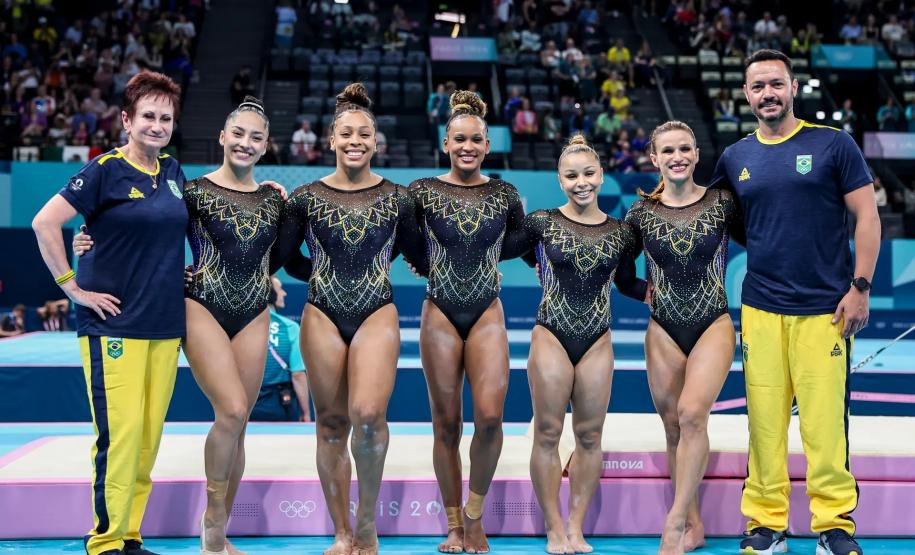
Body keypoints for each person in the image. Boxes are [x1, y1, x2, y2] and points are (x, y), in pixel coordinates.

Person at [72, 96, 292, 555]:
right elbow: (143, 226)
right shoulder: (187, 190)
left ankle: (221, 531)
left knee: (241, 423)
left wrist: (272, 273)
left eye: (256, 137)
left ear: (266, 145)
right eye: (238, 134)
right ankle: (210, 522)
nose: (245, 143)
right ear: (222, 137)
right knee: (230, 410)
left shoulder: (275, 198)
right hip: (202, 306)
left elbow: (276, 254)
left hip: (254, 309)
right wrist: (87, 239)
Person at [711, 49, 879, 555]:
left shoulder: (833, 144)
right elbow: (718, 222)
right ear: (746, 94)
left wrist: (861, 287)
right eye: (758, 86)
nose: (768, 94)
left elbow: (867, 218)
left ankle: (833, 525)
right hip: (761, 309)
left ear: (793, 88)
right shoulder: (734, 157)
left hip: (826, 310)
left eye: (776, 84)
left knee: (826, 424)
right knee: (764, 420)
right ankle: (766, 523)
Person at [32, 71, 186, 555]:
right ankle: (105, 541)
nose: (157, 125)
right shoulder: (104, 170)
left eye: (165, 117)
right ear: (126, 120)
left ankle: (131, 534)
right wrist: (71, 287)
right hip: (112, 326)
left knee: (146, 440)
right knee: (118, 437)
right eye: (148, 116)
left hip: (164, 327)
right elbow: (45, 222)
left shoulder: (176, 174)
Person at [272, 83, 425, 555]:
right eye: (346, 133)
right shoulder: (305, 198)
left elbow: (417, 252)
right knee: (332, 423)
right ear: (331, 140)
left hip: (376, 309)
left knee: (368, 413)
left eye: (364, 133)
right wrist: (321, 272)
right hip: (321, 312)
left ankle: (366, 522)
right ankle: (341, 532)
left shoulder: (399, 199)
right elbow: (283, 256)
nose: (355, 140)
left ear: (375, 142)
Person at [501, 134, 643, 555]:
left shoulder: (622, 233)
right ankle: (553, 528)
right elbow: (497, 246)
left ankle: (576, 528)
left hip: (598, 338)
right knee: (547, 432)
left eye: (588, 173)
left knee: (589, 436)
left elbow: (627, 281)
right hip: (551, 334)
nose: (581, 182)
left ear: (601, 175)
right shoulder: (541, 223)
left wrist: (658, 291)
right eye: (571, 175)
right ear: (560, 180)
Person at [408, 91, 525, 554]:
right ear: (445, 142)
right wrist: (424, 264)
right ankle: (455, 524)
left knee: (492, 417)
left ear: (487, 144)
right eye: (459, 139)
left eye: (476, 139)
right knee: (446, 425)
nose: (467, 146)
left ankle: (475, 516)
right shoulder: (421, 192)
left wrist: (487, 257)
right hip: (439, 309)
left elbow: (518, 241)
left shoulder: (504, 194)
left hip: (486, 311)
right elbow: (401, 239)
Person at [625, 121, 744, 554]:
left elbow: (765, 242)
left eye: (684, 149)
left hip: (712, 321)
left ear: (696, 154)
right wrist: (642, 290)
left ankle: (673, 522)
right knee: (674, 427)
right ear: (653, 158)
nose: (676, 156)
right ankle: (693, 524)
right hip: (663, 328)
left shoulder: (722, 203)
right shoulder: (640, 213)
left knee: (693, 413)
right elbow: (621, 271)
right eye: (667, 151)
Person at [250, 277, 312, 422]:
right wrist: (306, 413)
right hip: (279, 403)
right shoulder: (289, 327)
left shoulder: (245, 326)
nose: (284, 293)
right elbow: (298, 375)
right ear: (270, 293)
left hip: (247, 404)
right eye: (279, 289)